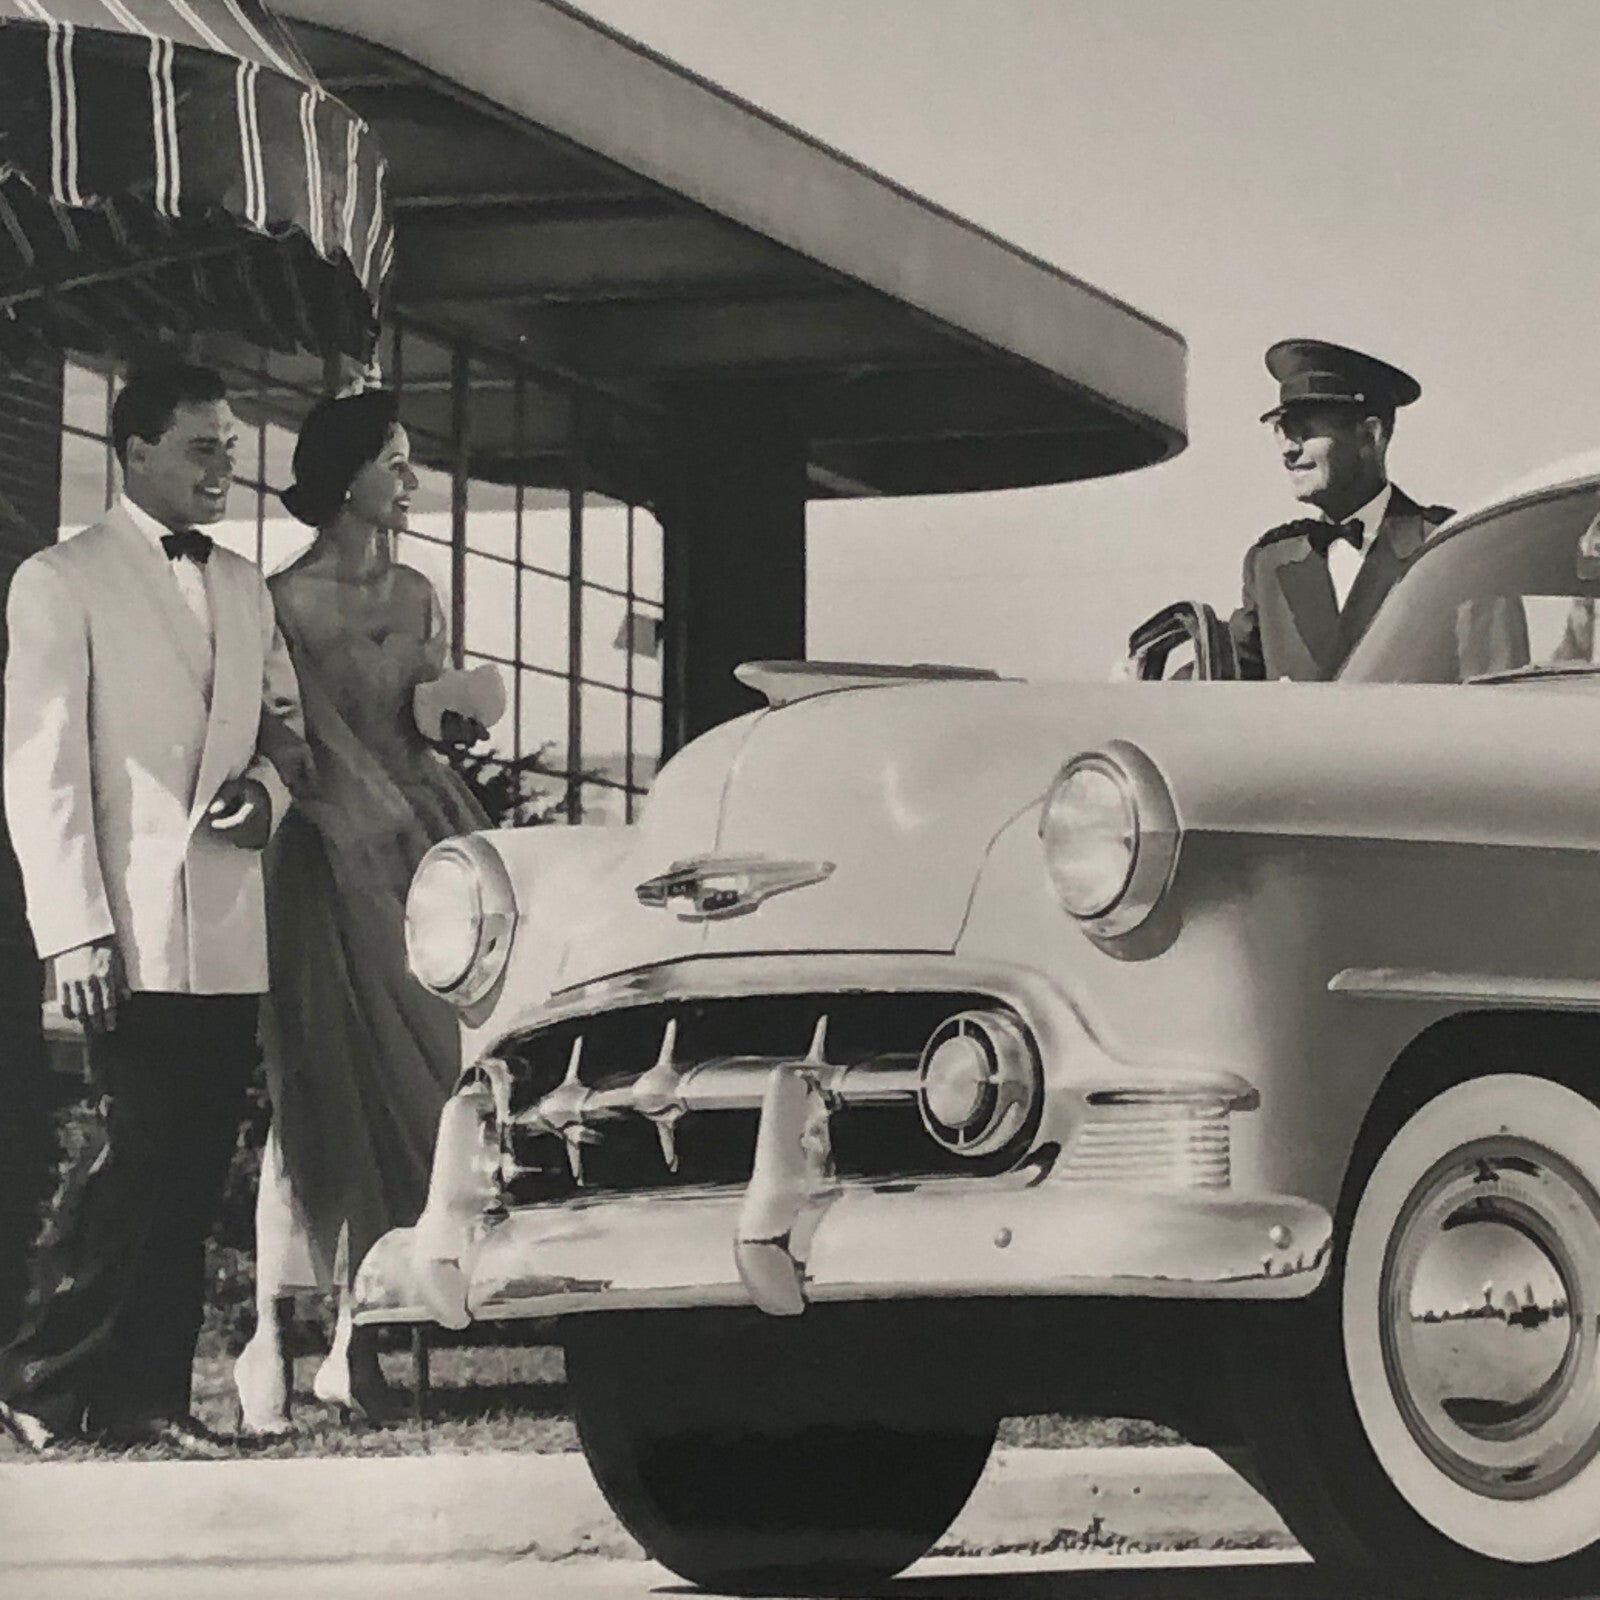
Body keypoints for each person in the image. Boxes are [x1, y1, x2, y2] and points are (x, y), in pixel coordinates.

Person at [0, 361, 305, 1457]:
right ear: (133, 453)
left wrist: (264, 796)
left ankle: (146, 1401)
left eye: (231, 445)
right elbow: (41, 768)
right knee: (128, 1153)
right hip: (120, 928)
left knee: (186, 1166)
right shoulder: (60, 580)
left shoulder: (243, 583)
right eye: (203, 447)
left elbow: (286, 731)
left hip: (226, 926)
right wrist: (71, 927)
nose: (227, 466)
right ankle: (40, 1379)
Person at [231, 389, 497, 1433]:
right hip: (325, 857)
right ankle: (268, 1334)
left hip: (420, 841)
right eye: (395, 461)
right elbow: (293, 731)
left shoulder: (423, 588)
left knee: (428, 1078)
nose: (412, 481)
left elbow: (425, 712)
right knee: (320, 1082)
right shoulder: (282, 599)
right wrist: (353, 819)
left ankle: (362, 1334)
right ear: (347, 477)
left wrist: (458, 718)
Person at [1229, 339, 1455, 681]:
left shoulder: (1448, 549)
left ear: (1370, 436)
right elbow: (1223, 681)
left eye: (1305, 431)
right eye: (1282, 431)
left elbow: (1496, 693)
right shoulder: (1270, 563)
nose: (1289, 449)